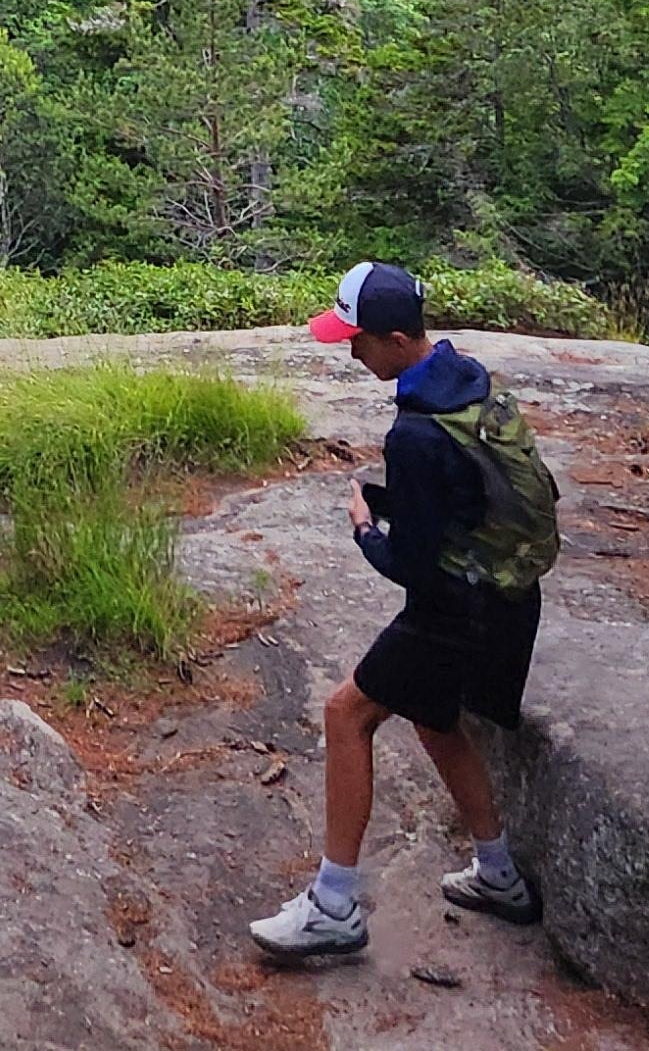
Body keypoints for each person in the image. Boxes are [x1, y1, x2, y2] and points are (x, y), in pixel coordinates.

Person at [248, 262, 561, 967]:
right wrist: (397, 504)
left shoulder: (415, 434)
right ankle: (499, 875)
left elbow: (410, 567)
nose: (350, 353)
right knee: (432, 716)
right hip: (510, 599)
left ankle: (333, 908)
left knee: (346, 714)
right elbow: (462, 499)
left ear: (394, 339)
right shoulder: (467, 381)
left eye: (358, 342)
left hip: (456, 609)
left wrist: (366, 526)